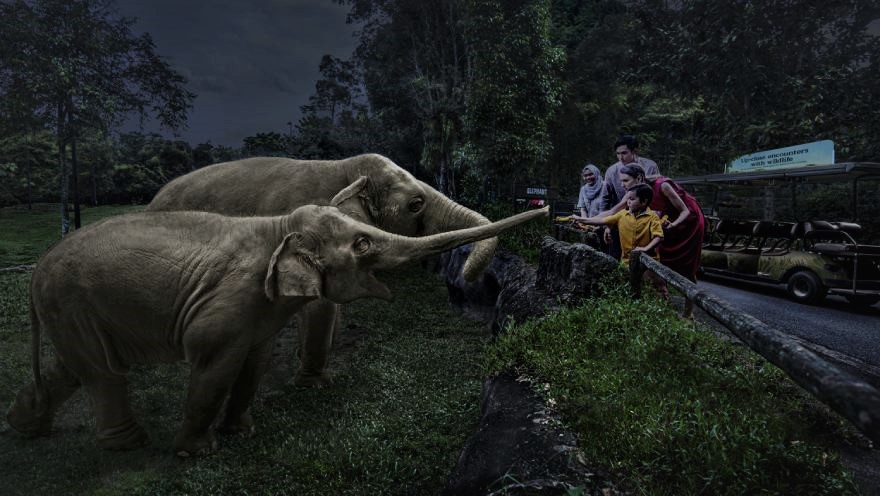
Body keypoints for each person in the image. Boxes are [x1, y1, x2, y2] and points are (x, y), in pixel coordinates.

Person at [609, 163, 706, 318]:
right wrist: (587, 220)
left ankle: (688, 314)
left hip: (688, 224)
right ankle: (660, 306)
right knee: (658, 263)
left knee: (688, 269)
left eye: (625, 181)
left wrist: (673, 225)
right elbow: (615, 212)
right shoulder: (633, 193)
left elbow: (685, 211)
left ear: (639, 178)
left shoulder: (662, 186)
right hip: (664, 225)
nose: (622, 185)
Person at [572, 183, 664, 268]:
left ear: (644, 201)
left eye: (632, 199)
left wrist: (646, 248)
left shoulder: (652, 217)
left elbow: (658, 236)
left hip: (649, 263)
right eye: (628, 198)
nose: (628, 202)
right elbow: (602, 220)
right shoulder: (622, 214)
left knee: (655, 284)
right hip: (627, 262)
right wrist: (581, 220)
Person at [600, 135, 660, 259]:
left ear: (634, 151)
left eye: (624, 153)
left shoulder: (649, 166)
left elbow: (657, 192)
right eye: (618, 154)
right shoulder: (612, 171)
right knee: (617, 258)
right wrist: (607, 226)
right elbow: (605, 200)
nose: (621, 157)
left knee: (646, 259)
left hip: (646, 222)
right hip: (621, 220)